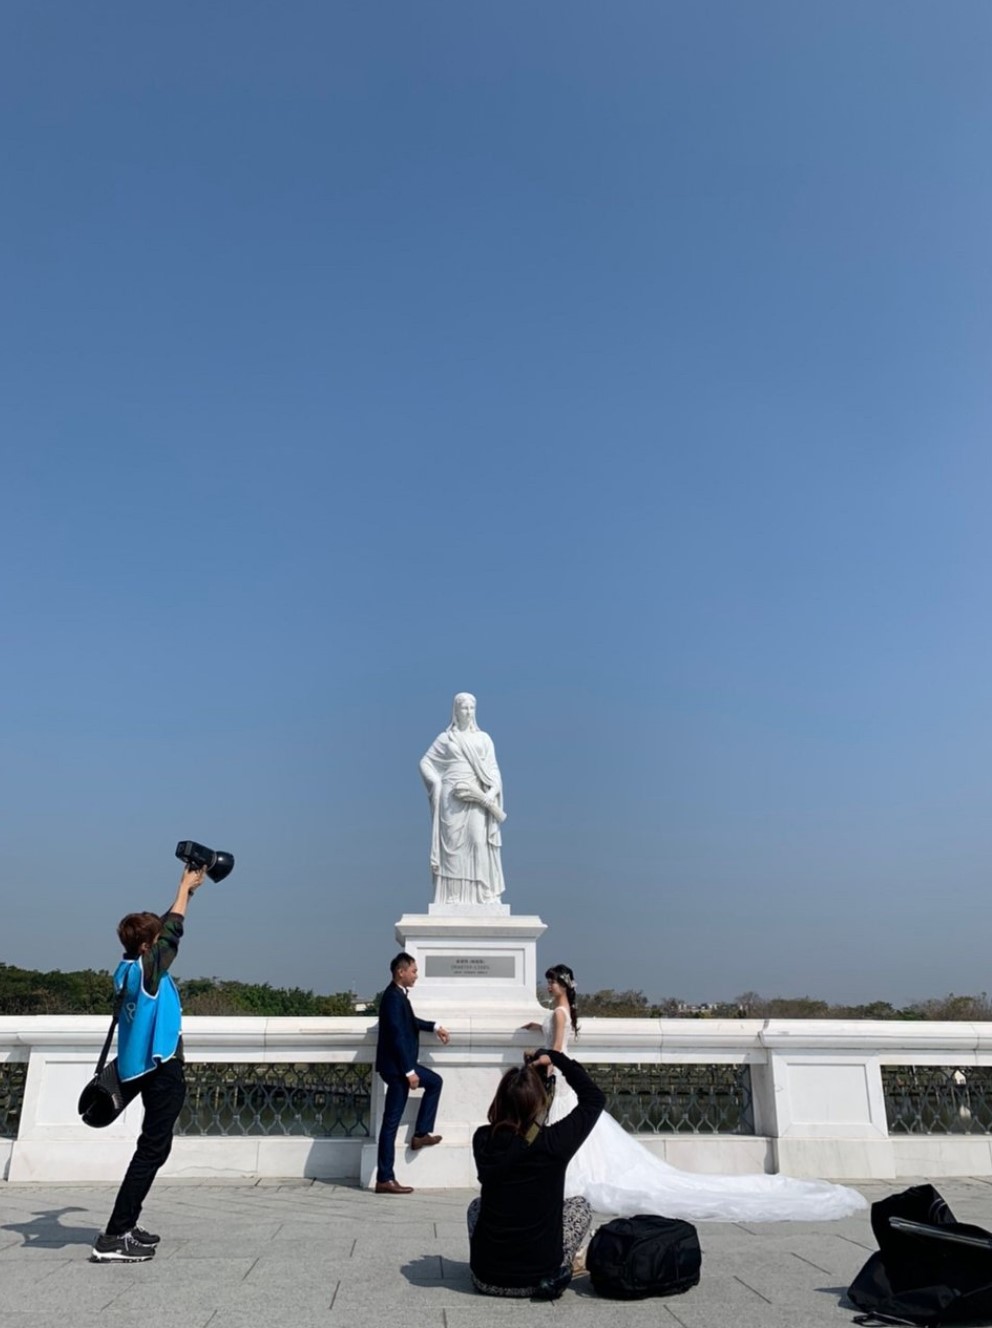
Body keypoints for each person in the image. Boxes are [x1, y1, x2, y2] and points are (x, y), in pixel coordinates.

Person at [525, 963, 869, 1223]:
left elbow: (556, 1050)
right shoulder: (560, 1011)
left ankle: (562, 1174)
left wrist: (539, 1063)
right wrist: (533, 1027)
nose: (549, 984)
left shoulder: (558, 1011)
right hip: (569, 1076)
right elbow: (554, 1033)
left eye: (552, 981)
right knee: (582, 1131)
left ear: (563, 985)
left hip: (562, 1079)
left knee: (566, 1128)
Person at [90, 864, 207, 1262]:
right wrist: (181, 887)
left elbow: (163, 927)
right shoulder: (146, 970)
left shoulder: (126, 969)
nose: (160, 946)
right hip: (160, 1069)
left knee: (151, 1149)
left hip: (136, 1067)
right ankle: (114, 1235)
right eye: (154, 942)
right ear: (147, 948)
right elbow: (171, 932)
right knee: (152, 1150)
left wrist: (187, 893)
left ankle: (126, 1223)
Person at [468, 1048, 604, 1297]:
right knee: (580, 1206)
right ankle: (566, 1263)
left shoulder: (483, 1140)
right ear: (540, 1102)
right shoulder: (554, 1143)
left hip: (485, 1279)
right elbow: (594, 1099)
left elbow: (517, 1140)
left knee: (476, 1206)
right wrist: (556, 1058)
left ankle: (495, 1263)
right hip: (539, 1278)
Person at [374, 952, 450, 1194]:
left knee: (435, 1082)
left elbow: (410, 1022)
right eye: (414, 971)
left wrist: (434, 1026)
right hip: (398, 1069)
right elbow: (397, 1035)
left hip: (399, 1066)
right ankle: (385, 1178)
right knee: (390, 1124)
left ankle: (420, 1134)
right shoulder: (393, 998)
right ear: (401, 972)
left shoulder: (398, 996)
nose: (416, 975)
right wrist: (409, 1071)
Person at [420, 692, 506, 905]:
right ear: (455, 711)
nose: (468, 712)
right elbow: (425, 762)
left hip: (476, 797)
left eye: (471, 708)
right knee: (453, 846)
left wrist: (488, 795)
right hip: (451, 796)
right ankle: (452, 895)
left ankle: (483, 892)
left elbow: (494, 772)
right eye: (464, 708)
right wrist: (437, 783)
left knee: (478, 841)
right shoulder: (445, 738)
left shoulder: (484, 739)